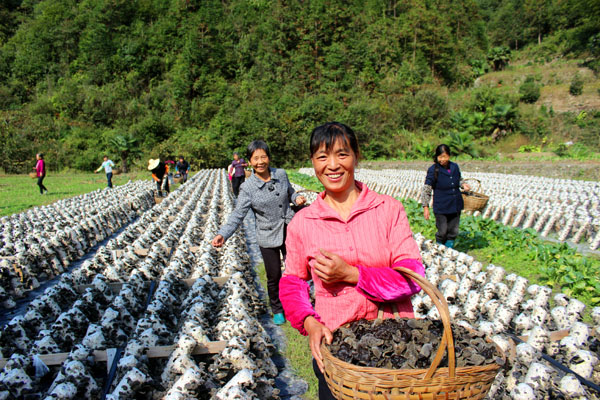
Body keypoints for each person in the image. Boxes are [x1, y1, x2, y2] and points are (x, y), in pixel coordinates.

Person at [278, 122, 424, 399]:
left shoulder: (388, 209)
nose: (332, 165)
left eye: (342, 154)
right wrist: (309, 323)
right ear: (312, 163)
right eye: (322, 156)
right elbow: (292, 282)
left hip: (394, 347)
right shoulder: (302, 222)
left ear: (357, 156)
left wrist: (353, 274)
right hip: (337, 350)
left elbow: (413, 277)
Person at [212, 140, 306, 325]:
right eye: (256, 158)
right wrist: (223, 233)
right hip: (267, 234)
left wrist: (297, 198)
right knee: (273, 275)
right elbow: (238, 214)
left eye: (264, 156)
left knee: (296, 270)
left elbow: (290, 192)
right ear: (249, 162)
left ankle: (299, 304)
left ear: (269, 157)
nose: (260, 161)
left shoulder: (281, 174)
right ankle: (277, 308)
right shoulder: (247, 188)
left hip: (290, 228)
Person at [420, 144, 471, 249]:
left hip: (455, 203)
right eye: (440, 157)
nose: (442, 159)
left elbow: (459, 179)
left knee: (453, 230)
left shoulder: (454, 167)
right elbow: (427, 188)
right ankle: (439, 248)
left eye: (445, 156)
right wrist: (425, 207)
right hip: (441, 205)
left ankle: (449, 249)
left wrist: (463, 184)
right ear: (437, 157)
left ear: (449, 156)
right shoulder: (433, 170)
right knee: (442, 230)